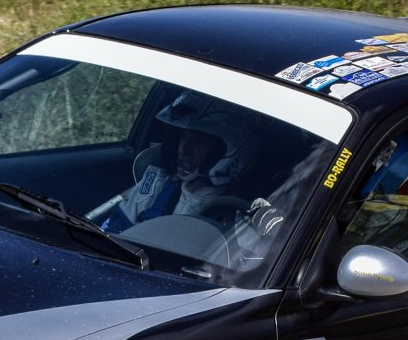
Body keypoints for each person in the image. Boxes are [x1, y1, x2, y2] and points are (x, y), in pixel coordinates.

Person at [99, 93, 282, 235]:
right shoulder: (156, 184)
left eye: (199, 141)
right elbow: (112, 232)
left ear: (231, 150)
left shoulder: (248, 211)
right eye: (183, 137)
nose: (184, 149)